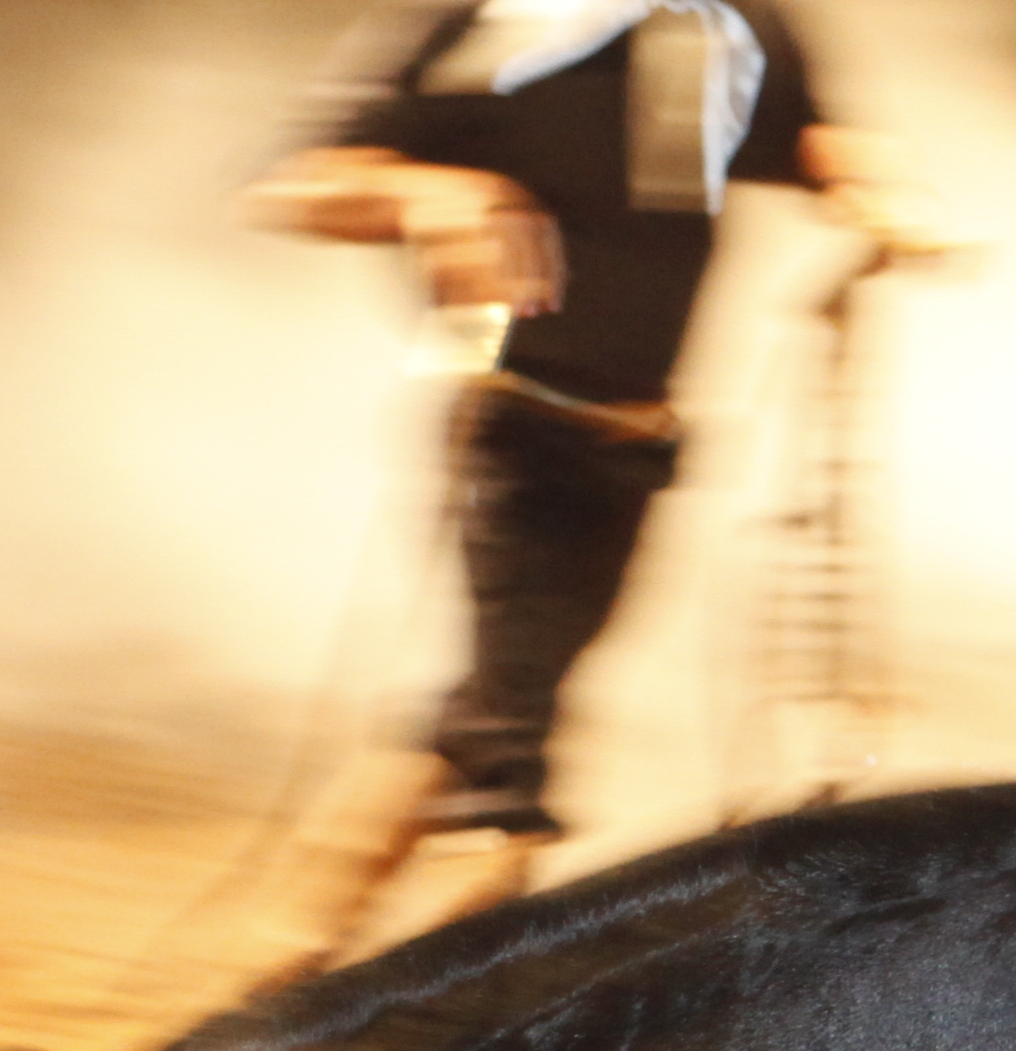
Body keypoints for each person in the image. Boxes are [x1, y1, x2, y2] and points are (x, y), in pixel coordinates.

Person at [252, 0, 952, 938]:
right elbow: (300, 184)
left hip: (638, 439)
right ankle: (431, 1006)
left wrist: (879, 186)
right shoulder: (486, 27)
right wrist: (433, 195)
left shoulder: (729, 27)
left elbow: (806, 135)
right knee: (510, 767)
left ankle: (290, 958)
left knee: (488, 714)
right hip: (513, 424)